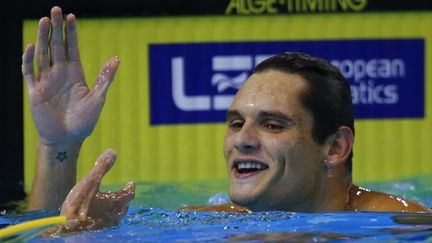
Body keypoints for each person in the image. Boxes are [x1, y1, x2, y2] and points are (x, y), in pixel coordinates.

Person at [22, 6, 430, 235]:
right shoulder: (206, 224)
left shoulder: (401, 226)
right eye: (235, 123)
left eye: (272, 125)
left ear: (336, 147)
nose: (242, 140)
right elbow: (39, 237)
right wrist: (58, 146)